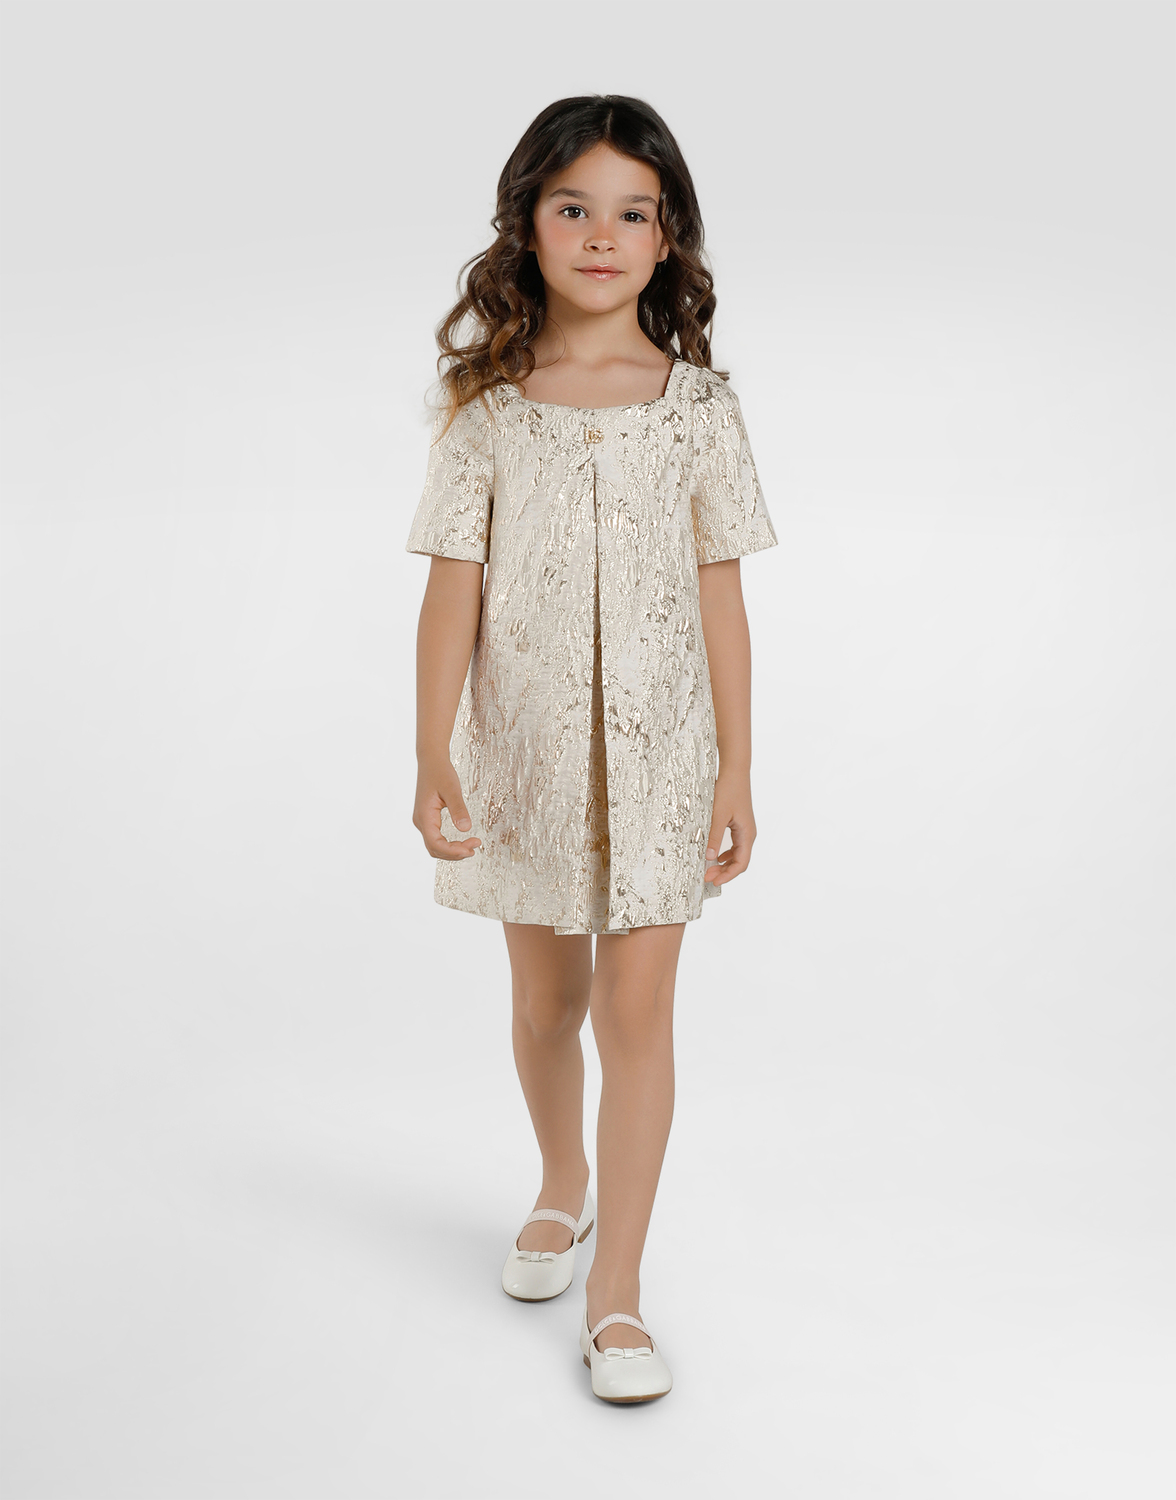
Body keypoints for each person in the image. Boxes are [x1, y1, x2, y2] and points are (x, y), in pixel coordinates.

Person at [406, 94, 778, 1404]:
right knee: (547, 1006)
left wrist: (738, 767)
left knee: (638, 1014)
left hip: (666, 757)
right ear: (529, 225)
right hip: (525, 756)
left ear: (668, 237)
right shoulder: (488, 412)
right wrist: (433, 754)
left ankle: (616, 1292)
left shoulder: (701, 409)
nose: (604, 236)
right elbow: (450, 590)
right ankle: (562, 1181)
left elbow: (723, 594)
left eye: (633, 212)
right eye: (575, 209)